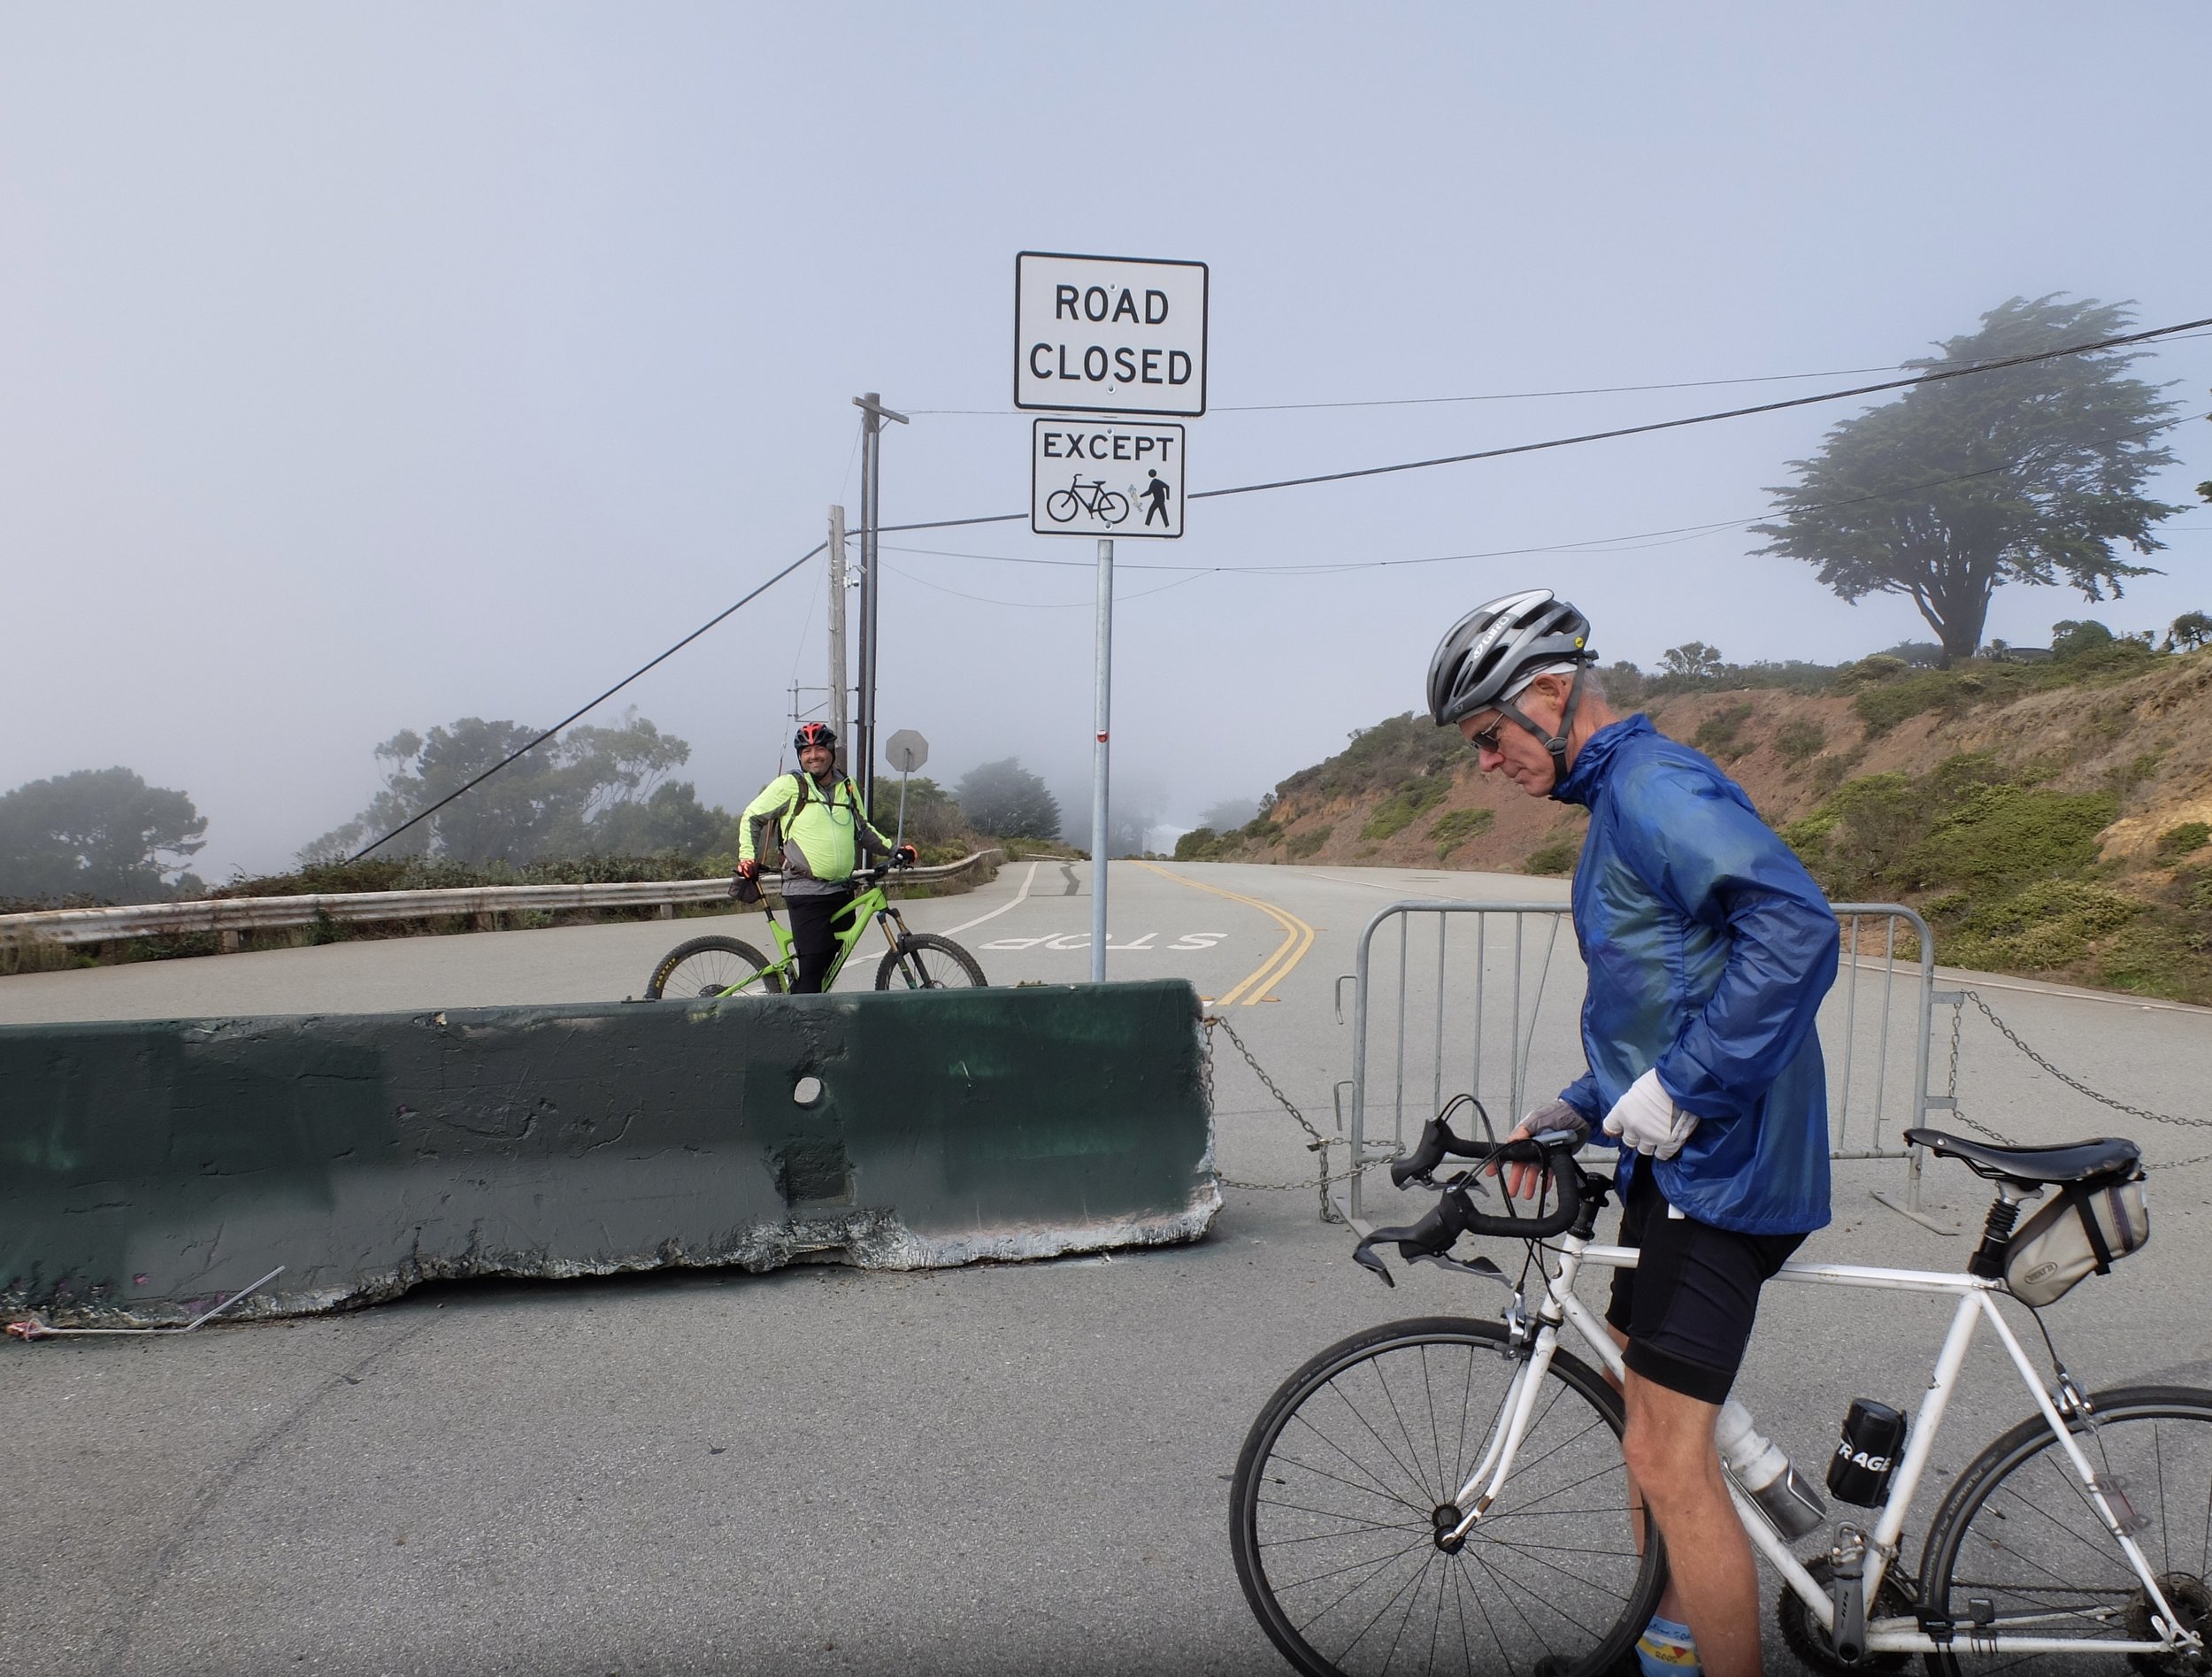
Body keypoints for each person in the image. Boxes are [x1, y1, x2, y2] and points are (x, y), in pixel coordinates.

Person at [1426, 589, 1839, 1677]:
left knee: (1667, 1445)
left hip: (1729, 1162)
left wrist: (1687, 1086)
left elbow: (1793, 927)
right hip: (1689, 1152)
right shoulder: (1623, 797)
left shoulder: (1653, 787)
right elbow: (1669, 987)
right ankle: (1664, 1644)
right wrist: (1579, 1101)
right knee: (1640, 1418)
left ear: (1552, 695)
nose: (1486, 762)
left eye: (1488, 736)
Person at [734, 722, 914, 993]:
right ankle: (801, 1021)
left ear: (831, 751)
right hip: (805, 891)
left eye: (819, 748)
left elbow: (862, 829)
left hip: (841, 890)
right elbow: (752, 817)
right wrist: (747, 857)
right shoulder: (791, 786)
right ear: (800, 756)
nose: (813, 756)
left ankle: (805, 1003)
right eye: (806, 751)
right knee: (813, 971)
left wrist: (894, 850)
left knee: (831, 962)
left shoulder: (848, 786)